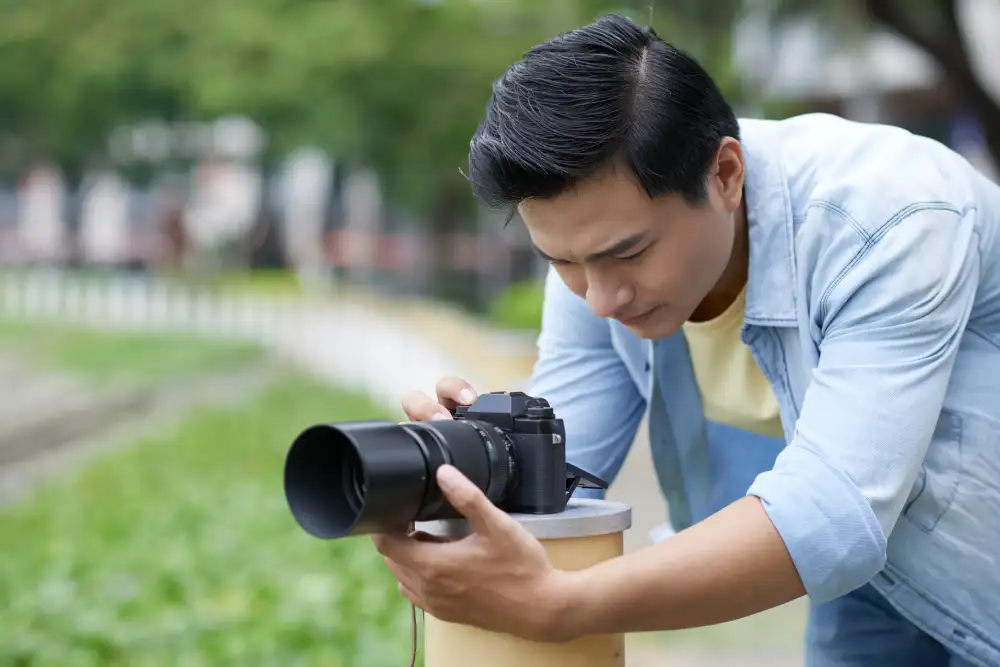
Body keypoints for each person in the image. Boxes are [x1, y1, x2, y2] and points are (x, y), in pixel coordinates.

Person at [372, 14, 1000, 667]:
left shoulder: (888, 215)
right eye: (560, 259)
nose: (600, 296)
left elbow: (833, 509)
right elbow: (559, 470)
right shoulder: (595, 260)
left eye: (629, 252)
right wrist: (466, 470)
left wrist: (565, 604)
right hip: (880, 574)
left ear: (725, 173)